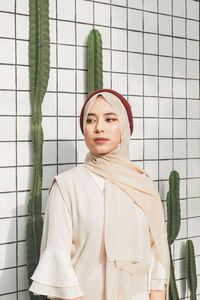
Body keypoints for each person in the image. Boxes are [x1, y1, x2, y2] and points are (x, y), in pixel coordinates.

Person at [29, 89, 170, 300]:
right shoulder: (67, 186)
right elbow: (59, 260)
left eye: (110, 119)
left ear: (124, 126)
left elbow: (155, 251)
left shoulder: (142, 184)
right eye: (90, 120)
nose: (99, 128)